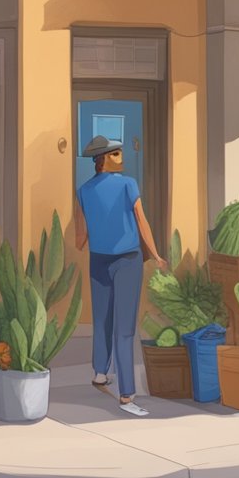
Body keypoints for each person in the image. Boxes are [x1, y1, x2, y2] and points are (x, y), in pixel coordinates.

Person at [74, 135, 165, 417]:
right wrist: (156, 254)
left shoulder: (84, 190)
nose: (121, 157)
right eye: (115, 154)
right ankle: (127, 395)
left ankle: (100, 373)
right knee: (124, 328)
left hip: (99, 260)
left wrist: (98, 231)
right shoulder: (128, 184)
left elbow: (80, 238)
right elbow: (142, 221)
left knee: (102, 318)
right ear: (102, 159)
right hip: (127, 259)